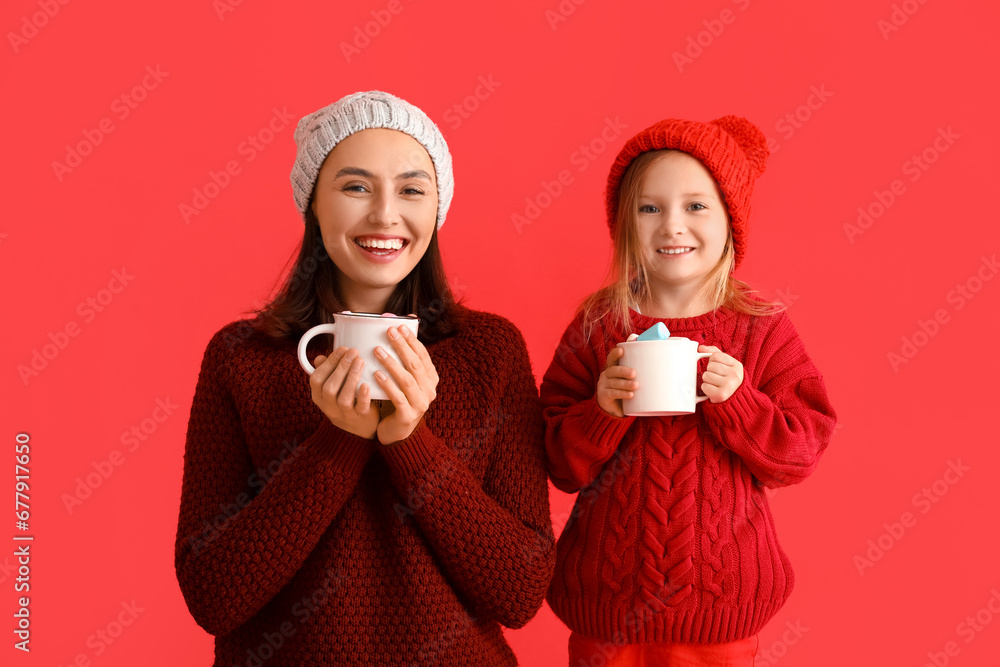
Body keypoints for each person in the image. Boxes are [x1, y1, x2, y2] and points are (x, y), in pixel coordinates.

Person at [173, 90, 555, 666]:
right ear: (313, 205)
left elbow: (522, 591)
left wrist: (409, 441)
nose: (384, 215)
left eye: (411, 189)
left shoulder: (490, 352)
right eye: (355, 187)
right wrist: (340, 439)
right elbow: (212, 596)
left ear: (437, 208)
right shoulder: (241, 358)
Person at [540, 116, 837, 666]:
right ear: (624, 222)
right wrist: (601, 410)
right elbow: (556, 462)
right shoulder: (599, 324)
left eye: (696, 206)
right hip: (606, 608)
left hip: (722, 610)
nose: (671, 225)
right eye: (649, 208)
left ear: (731, 219)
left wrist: (741, 403)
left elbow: (802, 452)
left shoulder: (760, 327)